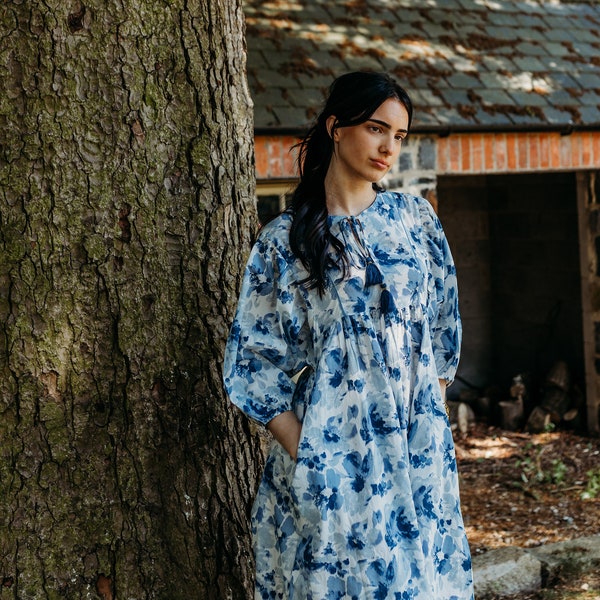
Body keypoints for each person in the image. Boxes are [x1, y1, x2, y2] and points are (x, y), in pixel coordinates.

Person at [223, 71, 474, 599]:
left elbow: (441, 336)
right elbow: (253, 363)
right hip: (334, 466)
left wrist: (419, 426)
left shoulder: (414, 220)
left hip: (417, 457)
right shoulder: (285, 242)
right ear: (336, 128)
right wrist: (313, 455)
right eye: (377, 128)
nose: (389, 147)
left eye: (400, 137)